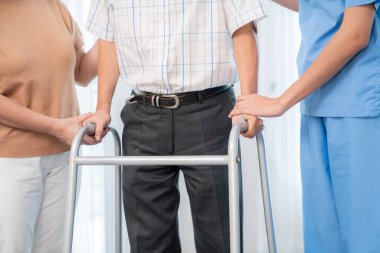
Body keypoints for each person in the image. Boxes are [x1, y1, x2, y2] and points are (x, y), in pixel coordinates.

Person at [85, 0, 266, 252]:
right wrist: (102, 107)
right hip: (143, 117)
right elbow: (109, 39)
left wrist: (248, 101)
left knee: (220, 238)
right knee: (147, 242)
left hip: (209, 112)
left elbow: (243, 27)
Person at [230, 1, 380, 252]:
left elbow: (356, 32)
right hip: (317, 103)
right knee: (322, 238)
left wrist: (281, 102)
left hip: (358, 107)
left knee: (365, 237)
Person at [0, 1, 99, 252]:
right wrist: (56, 126)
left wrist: (117, 28)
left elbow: (82, 72)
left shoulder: (52, 5)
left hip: (64, 155)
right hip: (9, 160)